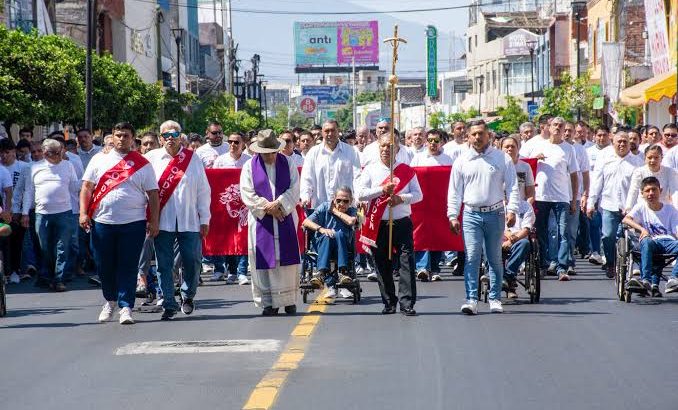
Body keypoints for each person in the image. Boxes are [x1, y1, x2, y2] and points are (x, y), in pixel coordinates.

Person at [80, 122, 160, 325]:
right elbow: (87, 188)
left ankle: (126, 306)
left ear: (133, 138)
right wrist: (83, 212)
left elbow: (152, 194)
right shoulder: (99, 159)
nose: (121, 139)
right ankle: (110, 300)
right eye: (118, 135)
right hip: (102, 221)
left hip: (133, 222)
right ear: (112, 137)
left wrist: (154, 220)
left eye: (126, 135)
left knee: (128, 265)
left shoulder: (142, 163)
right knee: (103, 264)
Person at [448, 120, 519, 315]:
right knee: (471, 257)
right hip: (471, 214)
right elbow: (454, 191)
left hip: (495, 214)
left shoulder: (502, 158)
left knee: (494, 257)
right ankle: (471, 299)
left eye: (481, 133)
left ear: (488, 135)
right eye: (474, 134)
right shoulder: (462, 161)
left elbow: (512, 186)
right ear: (468, 137)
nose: (478, 137)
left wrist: (512, 210)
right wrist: (453, 215)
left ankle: (495, 298)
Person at [146, 120, 211, 320]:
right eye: (166, 136)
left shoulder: (193, 159)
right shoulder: (151, 158)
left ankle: (188, 295)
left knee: (192, 261)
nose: (170, 140)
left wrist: (205, 218)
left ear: (180, 137)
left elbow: (203, 190)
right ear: (160, 138)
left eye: (174, 135)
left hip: (189, 219)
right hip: (162, 220)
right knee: (164, 264)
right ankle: (168, 302)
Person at [356, 133, 422, 316]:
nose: (386, 149)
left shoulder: (406, 171)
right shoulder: (370, 169)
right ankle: (389, 302)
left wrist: (402, 198)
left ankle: (407, 303)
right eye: (383, 146)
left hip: (401, 223)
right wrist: (381, 191)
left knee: (406, 262)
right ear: (379, 148)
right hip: (379, 224)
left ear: (398, 149)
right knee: (381, 264)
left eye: (390, 146)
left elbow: (419, 195)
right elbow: (360, 194)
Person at [240, 129, 301, 316]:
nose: (271, 157)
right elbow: (247, 192)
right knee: (265, 259)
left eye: (274, 152)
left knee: (286, 262)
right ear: (259, 152)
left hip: (285, 216)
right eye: (267, 154)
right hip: (261, 220)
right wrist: (267, 207)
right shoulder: (249, 166)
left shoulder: (288, 162)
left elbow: (294, 188)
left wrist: (280, 204)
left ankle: (289, 300)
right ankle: (269, 302)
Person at [521, 116, 579, 281]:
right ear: (548, 127)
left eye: (561, 125)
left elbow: (575, 175)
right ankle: (544, 264)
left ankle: (562, 267)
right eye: (555, 125)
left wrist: (574, 199)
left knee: (563, 233)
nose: (558, 128)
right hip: (541, 196)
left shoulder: (569, 149)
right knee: (541, 232)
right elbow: (522, 165)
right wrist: (534, 159)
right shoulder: (538, 145)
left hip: (562, 197)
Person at [22, 139, 79, 292]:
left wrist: (88, 184)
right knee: (44, 248)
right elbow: (29, 191)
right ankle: (46, 276)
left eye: (62, 151)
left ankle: (59, 279)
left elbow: (74, 186)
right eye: (58, 153)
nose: (62, 155)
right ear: (47, 154)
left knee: (62, 247)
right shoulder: (34, 167)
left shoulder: (68, 165)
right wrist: (24, 213)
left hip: (64, 213)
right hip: (42, 214)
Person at [587, 131, 643, 279]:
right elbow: (597, 182)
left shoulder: (637, 162)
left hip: (631, 208)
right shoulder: (605, 158)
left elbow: (640, 188)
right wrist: (591, 203)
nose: (622, 144)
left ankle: (634, 266)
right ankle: (610, 263)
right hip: (609, 205)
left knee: (634, 238)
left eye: (625, 141)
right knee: (608, 236)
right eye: (619, 141)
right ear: (613, 143)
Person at [623, 177, 678, 296]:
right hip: (650, 241)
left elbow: (676, 230)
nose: (651, 193)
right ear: (642, 193)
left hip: (667, 241)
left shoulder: (670, 209)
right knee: (646, 241)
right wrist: (642, 229)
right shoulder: (640, 207)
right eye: (647, 191)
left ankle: (673, 279)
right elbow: (626, 219)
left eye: (654, 190)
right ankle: (646, 280)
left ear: (660, 190)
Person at [411, 129, 453, 282]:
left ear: (442, 142)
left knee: (438, 234)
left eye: (436, 140)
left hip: (439, 202)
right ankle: (421, 267)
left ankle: (435, 268)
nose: (432, 143)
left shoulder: (448, 160)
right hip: (421, 204)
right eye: (430, 140)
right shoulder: (417, 158)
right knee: (420, 235)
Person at [302, 186, 358, 299]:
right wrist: (321, 229)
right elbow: (306, 221)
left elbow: (351, 221)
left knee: (339, 234)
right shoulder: (324, 207)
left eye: (346, 201)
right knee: (327, 235)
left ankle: (343, 272)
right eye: (339, 200)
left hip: (343, 246)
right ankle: (321, 273)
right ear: (334, 199)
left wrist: (335, 211)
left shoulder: (352, 210)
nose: (342, 203)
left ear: (351, 201)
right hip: (324, 245)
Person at [211, 132, 251, 285]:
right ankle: (231, 271)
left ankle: (241, 272)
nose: (233, 145)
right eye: (230, 141)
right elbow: (215, 183)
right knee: (228, 238)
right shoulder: (220, 161)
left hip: (245, 205)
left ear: (243, 144)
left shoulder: (249, 161)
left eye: (236, 142)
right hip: (226, 206)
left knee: (243, 238)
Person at [300, 120, 361, 209]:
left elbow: (357, 178)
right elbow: (306, 178)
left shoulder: (351, 152)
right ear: (322, 133)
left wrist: (359, 197)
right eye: (326, 131)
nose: (330, 134)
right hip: (320, 206)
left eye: (333, 130)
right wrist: (305, 197)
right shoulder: (313, 153)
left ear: (338, 131)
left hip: (345, 208)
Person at [563, 121, 590, 275]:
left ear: (574, 133)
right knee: (557, 231)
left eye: (570, 131)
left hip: (575, 196)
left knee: (572, 231)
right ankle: (556, 261)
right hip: (557, 197)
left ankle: (569, 261)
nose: (567, 133)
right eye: (565, 130)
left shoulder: (579, 149)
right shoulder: (554, 147)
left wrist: (585, 194)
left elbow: (585, 173)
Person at [0, 139, 29, 282]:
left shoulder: (23, 167)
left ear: (14, 152)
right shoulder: (0, 168)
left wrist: (24, 212)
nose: (4, 156)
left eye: (7, 152)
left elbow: (27, 190)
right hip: (3, 210)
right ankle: (6, 271)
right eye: (1, 153)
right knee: (4, 242)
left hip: (17, 210)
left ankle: (15, 271)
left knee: (16, 242)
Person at [625, 145, 678, 212]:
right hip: (644, 209)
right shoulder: (639, 172)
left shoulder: (670, 172)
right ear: (645, 158)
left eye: (656, 157)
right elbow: (633, 191)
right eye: (650, 158)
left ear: (661, 158)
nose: (653, 160)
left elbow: (675, 192)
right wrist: (628, 208)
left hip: (663, 210)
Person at [502, 200, 535, 299]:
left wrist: (511, 241)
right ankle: (502, 277)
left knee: (525, 244)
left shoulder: (526, 206)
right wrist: (507, 235)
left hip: (518, 239)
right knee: (488, 243)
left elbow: (526, 229)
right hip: (500, 236)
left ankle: (507, 277)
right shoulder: (497, 204)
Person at [500, 135, 535, 203]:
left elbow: (531, 191)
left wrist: (526, 206)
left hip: (520, 208)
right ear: (501, 149)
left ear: (518, 149)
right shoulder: (496, 167)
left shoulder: (525, 167)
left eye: (513, 146)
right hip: (500, 209)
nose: (510, 149)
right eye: (507, 147)